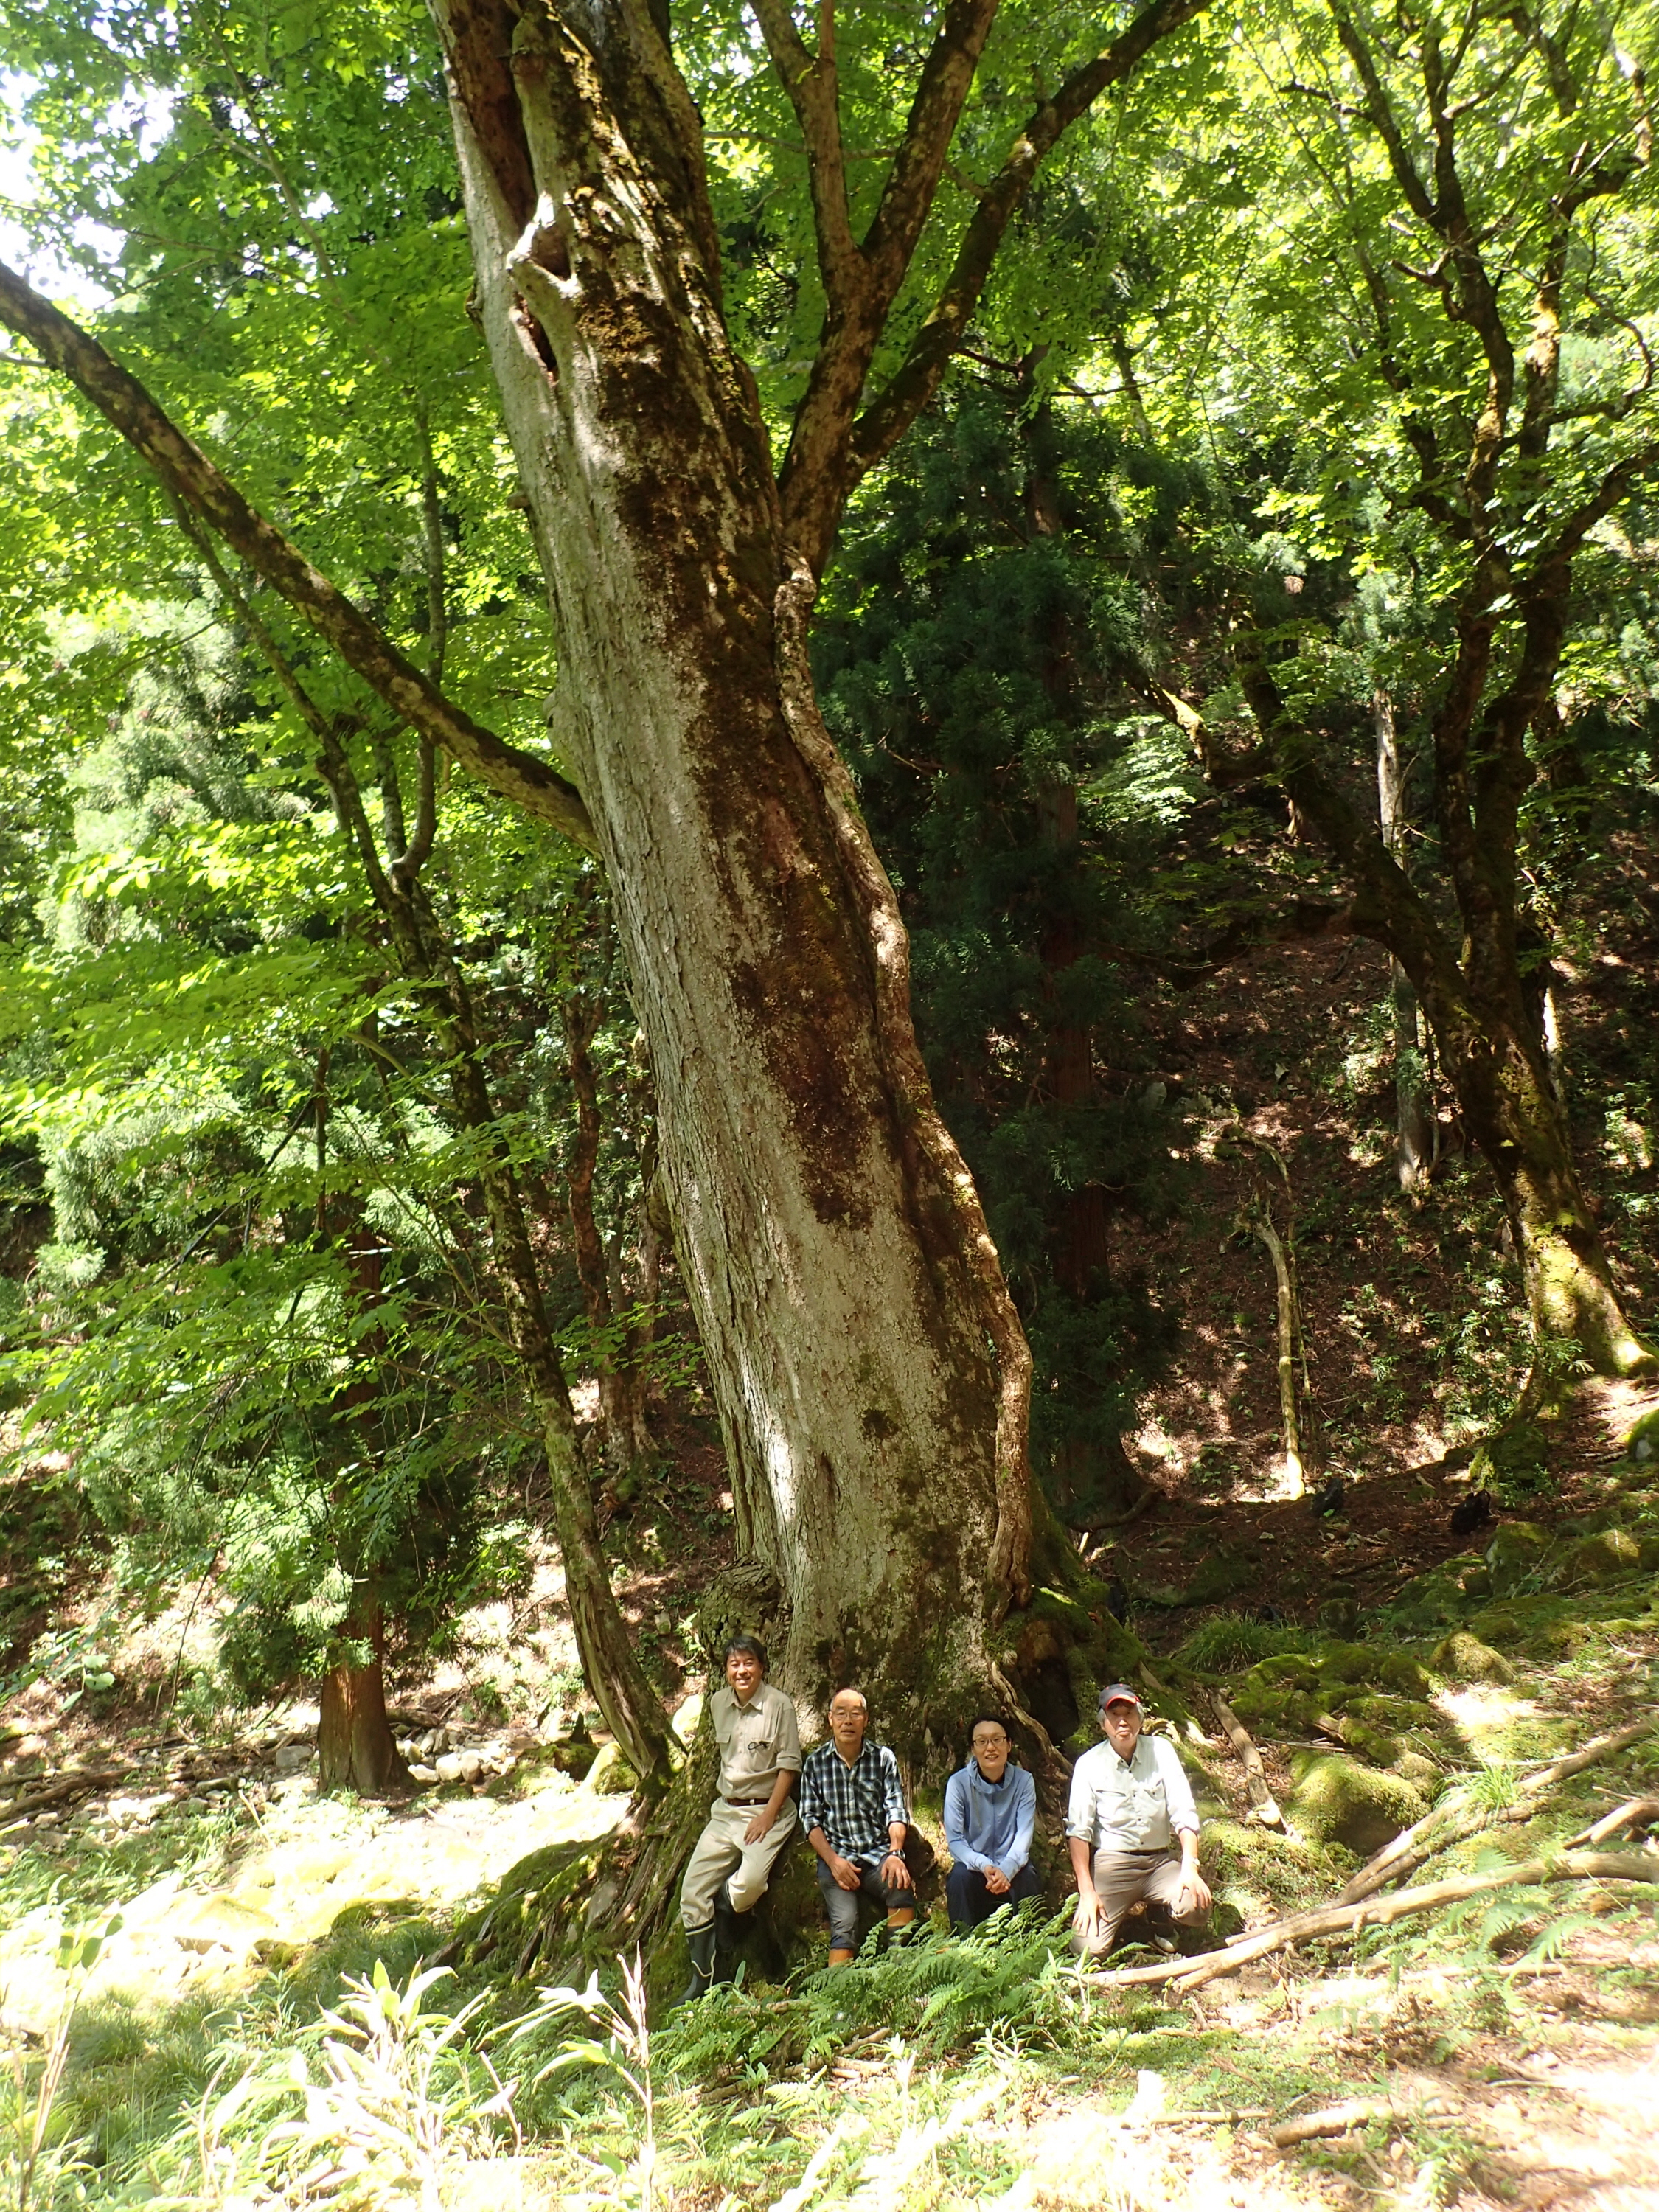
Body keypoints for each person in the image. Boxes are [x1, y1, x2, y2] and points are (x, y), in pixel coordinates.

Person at [678, 1632, 801, 2003]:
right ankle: (704, 1981)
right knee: (691, 1891)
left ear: (762, 1667)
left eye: (749, 1663)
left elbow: (790, 1766)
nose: (742, 1670)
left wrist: (767, 1815)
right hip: (725, 1813)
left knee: (747, 1886)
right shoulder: (717, 1704)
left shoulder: (780, 1706)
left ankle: (729, 1913)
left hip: (767, 1812)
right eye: (735, 1665)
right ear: (726, 1672)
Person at [1067, 1682, 1212, 1959]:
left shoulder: (1162, 1751)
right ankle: (1120, 1916)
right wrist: (1086, 1891)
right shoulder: (1088, 1764)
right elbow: (1079, 1833)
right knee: (1089, 1949)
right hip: (1113, 1865)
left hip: (1159, 1862)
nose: (1123, 1721)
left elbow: (1184, 1812)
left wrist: (1190, 1867)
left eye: (1129, 1713)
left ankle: (1160, 1915)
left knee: (1196, 1906)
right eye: (1115, 1715)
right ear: (1103, 1723)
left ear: (1141, 1718)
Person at [798, 1686, 916, 1966]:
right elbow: (810, 1821)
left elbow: (896, 1810)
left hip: (877, 1854)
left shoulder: (882, 1759)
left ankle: (902, 1967)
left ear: (866, 1719)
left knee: (900, 1887)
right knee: (845, 1925)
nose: (848, 1721)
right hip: (837, 1857)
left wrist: (896, 1853)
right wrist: (833, 1861)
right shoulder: (816, 1764)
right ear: (830, 1719)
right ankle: (840, 1999)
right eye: (841, 1714)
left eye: (855, 1714)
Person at [943, 1714, 1042, 1932]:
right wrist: (984, 1865)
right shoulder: (958, 1784)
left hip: (1012, 1870)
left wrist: (1006, 1870)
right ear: (973, 1748)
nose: (990, 1748)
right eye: (982, 1741)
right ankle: (964, 1949)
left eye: (997, 1739)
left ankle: (1030, 1946)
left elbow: (1023, 1838)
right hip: (976, 1870)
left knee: (1029, 1876)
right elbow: (956, 1841)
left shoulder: (1024, 1781)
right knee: (958, 1877)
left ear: (1009, 1745)